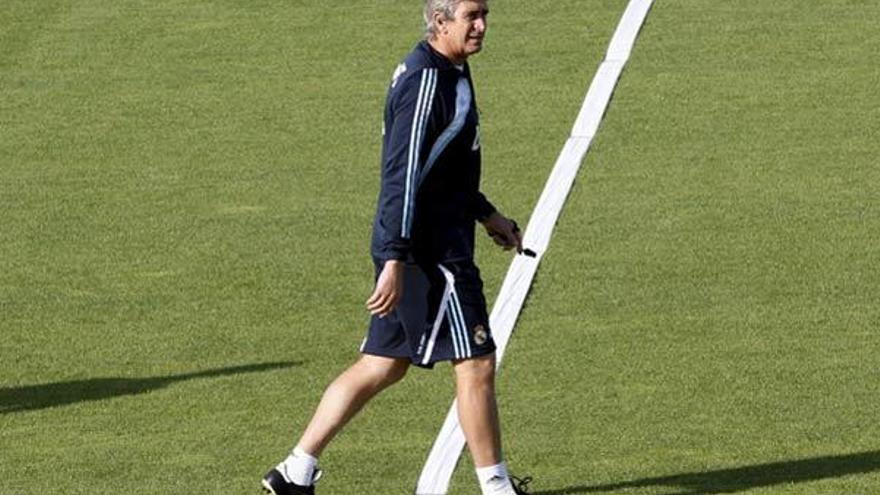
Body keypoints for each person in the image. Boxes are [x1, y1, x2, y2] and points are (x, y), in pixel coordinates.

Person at [262, 1, 529, 494]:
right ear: (440, 21)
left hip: (423, 246)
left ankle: (294, 470)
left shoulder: (449, 70)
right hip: (430, 255)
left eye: (485, 13)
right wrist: (394, 258)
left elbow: (444, 169)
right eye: (471, 15)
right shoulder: (427, 82)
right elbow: (401, 178)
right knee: (476, 362)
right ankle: (496, 489)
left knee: (383, 364)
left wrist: (487, 213)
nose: (482, 25)